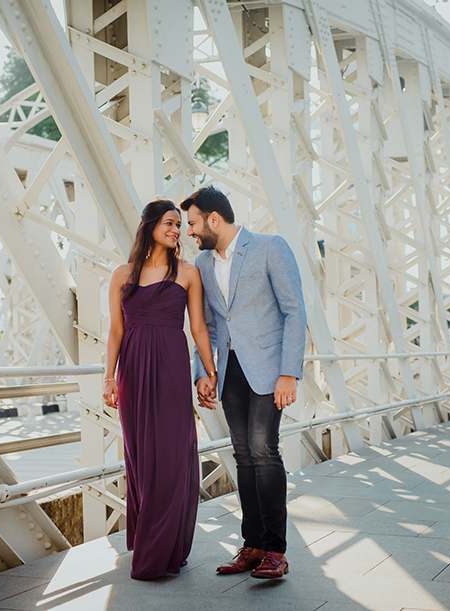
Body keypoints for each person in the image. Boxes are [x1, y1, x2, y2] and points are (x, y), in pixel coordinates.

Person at [181, 185, 306, 580]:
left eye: (193, 223)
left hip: (270, 368)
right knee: (243, 454)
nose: (190, 232)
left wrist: (289, 372)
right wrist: (204, 373)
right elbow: (211, 326)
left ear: (214, 218)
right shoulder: (202, 264)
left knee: (263, 449)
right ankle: (252, 546)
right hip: (230, 371)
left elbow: (294, 311)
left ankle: (276, 551)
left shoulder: (270, 247)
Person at [102, 199, 217, 580]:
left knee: (171, 456)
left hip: (170, 367)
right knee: (141, 459)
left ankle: (160, 550)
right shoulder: (122, 274)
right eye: (170, 222)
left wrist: (209, 373)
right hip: (132, 371)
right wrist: (108, 377)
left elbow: (199, 328)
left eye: (180, 224)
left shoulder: (187, 273)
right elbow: (116, 331)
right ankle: (154, 542)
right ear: (150, 225)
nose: (177, 229)